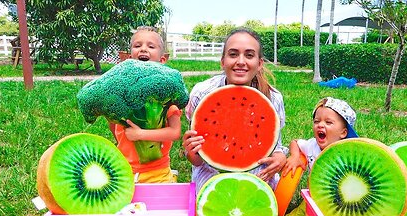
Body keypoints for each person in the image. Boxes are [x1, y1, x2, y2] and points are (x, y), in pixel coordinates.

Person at [182, 28, 288, 192]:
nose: (240, 61)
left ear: (259, 64)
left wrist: (280, 158)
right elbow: (197, 159)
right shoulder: (202, 93)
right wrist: (191, 151)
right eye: (233, 54)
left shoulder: (273, 98)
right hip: (212, 169)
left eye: (249, 55)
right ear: (222, 61)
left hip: (256, 167)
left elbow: (275, 146)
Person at [110, 26, 181, 183]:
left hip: (158, 172)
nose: (143, 49)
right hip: (124, 170)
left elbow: (175, 132)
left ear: (162, 60)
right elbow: (113, 123)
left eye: (150, 46)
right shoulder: (121, 94)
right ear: (128, 59)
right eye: (137, 45)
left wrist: (141, 134)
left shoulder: (166, 96)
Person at [281, 97, 358, 216]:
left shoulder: (348, 153)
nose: (320, 125)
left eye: (328, 122)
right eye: (317, 121)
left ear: (343, 133)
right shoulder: (312, 146)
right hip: (312, 200)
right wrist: (294, 156)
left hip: (338, 205)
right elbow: (295, 142)